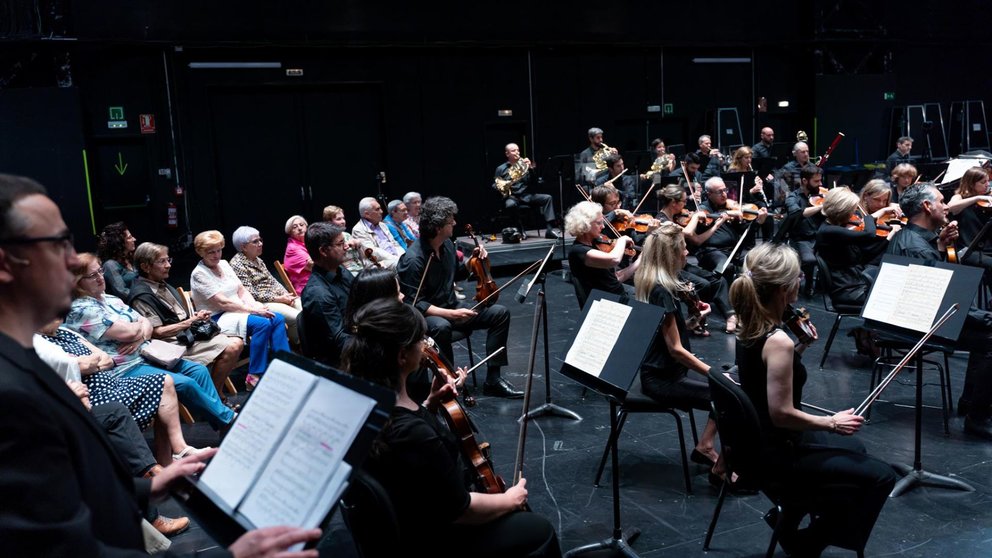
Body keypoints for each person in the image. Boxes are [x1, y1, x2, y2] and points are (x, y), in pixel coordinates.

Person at [0, 173, 320, 557]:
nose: (73, 262)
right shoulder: (11, 397)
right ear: (6, 263)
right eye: (58, 243)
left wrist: (151, 487)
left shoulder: (22, 359)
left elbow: (71, 485)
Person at [343, 298, 562, 558]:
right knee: (538, 529)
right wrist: (510, 499)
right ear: (402, 356)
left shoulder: (364, 404)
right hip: (435, 538)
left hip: (404, 521)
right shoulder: (413, 433)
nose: (425, 346)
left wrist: (430, 404)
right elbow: (461, 511)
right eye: (420, 341)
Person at [730, 242, 897, 556]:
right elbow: (782, 413)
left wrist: (800, 347)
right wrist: (832, 422)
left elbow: (764, 375)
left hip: (757, 440)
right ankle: (808, 542)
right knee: (881, 476)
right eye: (797, 278)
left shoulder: (751, 322)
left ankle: (790, 515)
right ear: (784, 289)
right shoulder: (778, 341)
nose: (801, 282)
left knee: (856, 449)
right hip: (778, 451)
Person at [66, 252, 236, 433]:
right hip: (126, 366)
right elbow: (129, 330)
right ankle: (228, 420)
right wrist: (138, 329)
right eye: (92, 275)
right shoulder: (81, 309)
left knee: (198, 370)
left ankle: (223, 422)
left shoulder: (111, 299)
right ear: (77, 281)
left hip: (149, 354)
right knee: (186, 383)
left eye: (100, 271)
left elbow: (145, 324)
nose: (100, 277)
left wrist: (138, 334)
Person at [886, 183, 992, 439]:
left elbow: (940, 284)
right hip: (916, 321)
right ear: (926, 206)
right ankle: (978, 418)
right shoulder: (917, 247)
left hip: (923, 311)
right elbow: (940, 301)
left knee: (985, 331)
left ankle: (971, 402)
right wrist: (985, 317)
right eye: (941, 201)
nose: (946, 206)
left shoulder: (912, 237)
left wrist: (942, 247)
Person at [396, 196, 522, 398]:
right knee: (442, 326)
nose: (454, 223)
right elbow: (413, 303)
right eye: (450, 221)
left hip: (451, 307)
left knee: (500, 313)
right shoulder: (413, 259)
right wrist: (451, 314)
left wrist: (474, 262)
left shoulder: (446, 246)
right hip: (429, 316)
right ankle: (448, 381)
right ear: (438, 227)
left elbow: (457, 273)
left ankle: (493, 379)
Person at [34, 317, 202, 467]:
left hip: (115, 383)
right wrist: (92, 362)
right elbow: (82, 365)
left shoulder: (66, 332)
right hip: (94, 396)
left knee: (164, 381)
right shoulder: (40, 343)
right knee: (123, 405)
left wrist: (92, 363)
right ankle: (150, 469)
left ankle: (174, 453)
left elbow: (107, 358)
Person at [633, 223, 721, 470]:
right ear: (671, 254)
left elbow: (675, 334)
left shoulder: (658, 283)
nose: (686, 253)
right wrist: (712, 373)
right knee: (729, 394)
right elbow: (675, 350)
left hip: (667, 371)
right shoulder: (662, 291)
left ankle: (705, 445)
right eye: (683, 248)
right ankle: (715, 458)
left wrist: (694, 320)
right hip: (663, 378)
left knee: (732, 381)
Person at [129, 242, 244, 397]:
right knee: (233, 345)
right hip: (170, 345)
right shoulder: (142, 295)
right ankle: (215, 397)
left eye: (168, 260)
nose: (168, 265)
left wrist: (196, 317)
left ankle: (214, 395)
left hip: (186, 335)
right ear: (145, 267)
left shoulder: (162, 285)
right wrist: (190, 322)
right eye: (162, 261)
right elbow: (156, 333)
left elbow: (180, 316)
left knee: (236, 342)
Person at [190, 230, 291, 391]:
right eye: (211, 252)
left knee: (277, 318)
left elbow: (241, 290)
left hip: (237, 310)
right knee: (262, 324)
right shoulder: (199, 274)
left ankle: (285, 365)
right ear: (200, 252)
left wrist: (256, 306)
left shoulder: (224, 264)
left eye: (218, 250)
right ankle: (254, 375)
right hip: (218, 317)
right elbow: (223, 303)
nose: (216, 255)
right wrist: (253, 310)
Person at [655, 184, 737, 334]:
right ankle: (695, 318)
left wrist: (716, 225)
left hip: (682, 265)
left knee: (718, 281)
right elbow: (686, 232)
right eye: (684, 202)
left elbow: (697, 240)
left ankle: (730, 316)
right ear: (674, 203)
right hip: (669, 269)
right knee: (703, 285)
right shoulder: (662, 221)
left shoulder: (677, 218)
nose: (686, 206)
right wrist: (695, 217)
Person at [815, 187, 896, 307]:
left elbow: (865, 255)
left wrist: (890, 235)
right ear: (842, 210)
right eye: (852, 210)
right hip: (849, 290)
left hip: (854, 281)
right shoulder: (829, 231)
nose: (854, 214)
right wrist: (873, 216)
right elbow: (869, 234)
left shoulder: (836, 227)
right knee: (893, 299)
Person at [229, 226, 302, 344]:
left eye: (260, 240)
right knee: (297, 317)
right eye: (255, 241)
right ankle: (298, 345)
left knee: (306, 307)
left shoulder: (258, 259)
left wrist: (286, 295)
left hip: (277, 298)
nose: (260, 243)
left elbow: (272, 280)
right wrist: (279, 299)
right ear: (243, 247)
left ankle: (310, 342)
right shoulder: (237, 265)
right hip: (261, 303)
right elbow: (251, 293)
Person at [299, 222, 354, 366]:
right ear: (323, 251)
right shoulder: (317, 293)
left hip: (356, 339)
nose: (346, 246)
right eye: (340, 243)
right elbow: (341, 342)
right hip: (342, 362)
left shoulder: (342, 272)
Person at [563, 200, 638, 303]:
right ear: (585, 224)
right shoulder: (578, 251)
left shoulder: (596, 244)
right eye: (599, 223)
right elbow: (614, 259)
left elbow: (616, 278)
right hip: (604, 304)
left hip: (618, 297)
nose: (603, 226)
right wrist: (622, 240)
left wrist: (641, 260)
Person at [695, 177, 768, 278]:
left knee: (760, 263)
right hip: (712, 251)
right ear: (709, 194)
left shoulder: (731, 207)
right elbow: (702, 220)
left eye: (725, 190)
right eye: (719, 192)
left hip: (734, 250)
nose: (724, 194)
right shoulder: (704, 209)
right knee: (727, 267)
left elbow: (744, 232)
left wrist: (758, 222)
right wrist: (726, 213)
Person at [493, 143, 558, 238]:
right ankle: (519, 229)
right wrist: (503, 186)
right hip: (512, 197)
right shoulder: (501, 169)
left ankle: (549, 230)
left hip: (527, 196)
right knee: (510, 205)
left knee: (547, 198)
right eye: (513, 150)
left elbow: (535, 183)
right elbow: (495, 184)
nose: (517, 152)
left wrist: (531, 168)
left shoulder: (525, 165)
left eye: (518, 150)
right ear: (507, 154)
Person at [783, 165, 826, 296]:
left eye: (821, 180)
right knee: (809, 260)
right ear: (804, 181)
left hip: (821, 236)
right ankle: (808, 283)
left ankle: (822, 283)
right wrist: (820, 207)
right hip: (802, 239)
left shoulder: (821, 195)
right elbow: (796, 213)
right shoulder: (792, 197)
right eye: (816, 181)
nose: (820, 184)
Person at [945, 167, 992, 275]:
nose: (987, 185)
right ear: (971, 184)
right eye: (983, 182)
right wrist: (976, 198)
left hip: (988, 248)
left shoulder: (988, 197)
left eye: (988, 181)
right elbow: (950, 207)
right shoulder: (959, 197)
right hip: (968, 250)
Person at [353, 197, 405, 268]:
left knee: (411, 259)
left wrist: (403, 256)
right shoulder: (358, 230)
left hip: (395, 258)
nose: (381, 211)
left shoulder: (382, 225)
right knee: (404, 265)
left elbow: (394, 244)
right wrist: (398, 259)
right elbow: (373, 252)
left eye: (380, 208)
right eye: (377, 209)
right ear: (367, 214)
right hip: (377, 263)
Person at [97, 221, 138, 299]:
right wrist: (144, 296)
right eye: (129, 237)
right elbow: (121, 292)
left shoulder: (131, 258)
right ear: (119, 242)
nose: (134, 239)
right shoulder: (110, 265)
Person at [323, 204, 369, 273]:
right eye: (339, 219)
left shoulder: (346, 235)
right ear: (329, 222)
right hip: (345, 273)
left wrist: (358, 244)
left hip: (361, 269)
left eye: (343, 218)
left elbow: (361, 258)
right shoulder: (326, 239)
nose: (343, 221)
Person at [283, 214, 313, 295]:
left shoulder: (308, 242)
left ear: (306, 227)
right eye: (294, 227)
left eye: (301, 225)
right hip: (308, 288)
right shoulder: (293, 249)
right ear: (290, 232)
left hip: (318, 282)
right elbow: (314, 266)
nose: (299, 228)